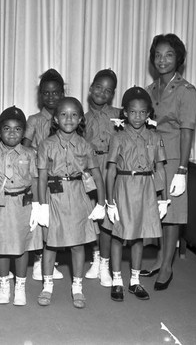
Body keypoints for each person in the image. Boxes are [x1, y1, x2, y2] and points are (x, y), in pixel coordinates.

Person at [37, 97, 106, 309]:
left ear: (81, 119)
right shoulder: (46, 145)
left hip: (78, 196)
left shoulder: (85, 145)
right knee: (51, 244)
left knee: (78, 244)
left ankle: (77, 286)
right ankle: (47, 285)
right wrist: (42, 205)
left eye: (74, 114)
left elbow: (96, 175)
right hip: (54, 197)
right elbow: (41, 177)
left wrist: (101, 203)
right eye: (64, 115)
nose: (69, 119)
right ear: (56, 119)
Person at [143, 34, 196, 290]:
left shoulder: (186, 90)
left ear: (179, 59)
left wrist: (183, 169)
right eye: (158, 55)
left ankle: (167, 266)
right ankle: (159, 259)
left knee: (172, 214)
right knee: (159, 211)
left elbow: (187, 130)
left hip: (174, 158)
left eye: (169, 55)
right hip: (153, 158)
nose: (162, 60)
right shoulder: (149, 90)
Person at [106, 86, 169, 301]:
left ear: (149, 113)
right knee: (118, 234)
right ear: (124, 112)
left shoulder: (154, 137)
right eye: (133, 111)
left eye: (143, 112)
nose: (138, 116)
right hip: (123, 187)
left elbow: (160, 168)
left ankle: (134, 281)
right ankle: (116, 280)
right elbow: (111, 170)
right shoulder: (118, 138)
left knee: (139, 235)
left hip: (145, 189)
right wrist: (109, 201)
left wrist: (164, 199)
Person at [0, 106, 43, 306]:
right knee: (0, 248)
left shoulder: (30, 154)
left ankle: (20, 286)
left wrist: (37, 205)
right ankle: (5, 285)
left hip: (22, 205)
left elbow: (35, 180)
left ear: (24, 132)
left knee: (22, 246)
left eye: (17, 129)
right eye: (7, 128)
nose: (12, 133)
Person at [22, 68, 65, 281]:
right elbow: (25, 146)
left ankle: (52, 260)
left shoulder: (67, 117)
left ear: (62, 93)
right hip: (41, 176)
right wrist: (40, 154)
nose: (51, 97)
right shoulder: (34, 120)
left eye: (55, 92)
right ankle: (40, 260)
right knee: (41, 217)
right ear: (40, 95)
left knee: (56, 218)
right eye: (46, 93)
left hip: (61, 176)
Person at [83, 69, 121, 287]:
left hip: (111, 168)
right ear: (90, 88)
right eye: (98, 87)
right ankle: (96, 258)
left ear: (113, 94)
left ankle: (105, 264)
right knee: (92, 216)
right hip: (90, 169)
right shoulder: (81, 117)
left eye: (108, 90)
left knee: (107, 218)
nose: (101, 93)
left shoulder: (119, 115)